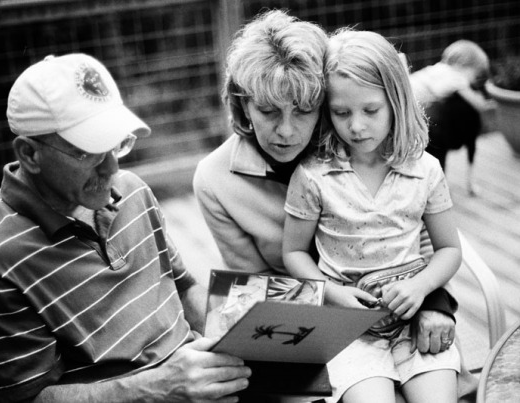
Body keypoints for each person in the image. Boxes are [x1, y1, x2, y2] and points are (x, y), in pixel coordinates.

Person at [0, 53, 251, 402]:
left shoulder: (133, 191)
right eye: (87, 153)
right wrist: (162, 387)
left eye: (117, 144)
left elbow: (183, 289)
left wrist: (241, 336)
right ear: (29, 154)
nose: (111, 170)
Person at [193, 9, 457, 357]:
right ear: (243, 107)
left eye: (304, 110)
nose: (286, 131)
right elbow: (258, 286)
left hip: (402, 309)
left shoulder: (358, 138)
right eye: (268, 110)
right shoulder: (214, 181)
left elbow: (415, 229)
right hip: (308, 328)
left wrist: (435, 302)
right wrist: (331, 302)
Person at [282, 28, 462, 403]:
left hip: (416, 322)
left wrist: (421, 288)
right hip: (351, 333)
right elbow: (293, 252)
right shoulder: (313, 176)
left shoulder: (425, 170)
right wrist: (332, 293)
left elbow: (448, 249)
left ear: (395, 100)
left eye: (371, 110)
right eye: (341, 112)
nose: (357, 126)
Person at [410, 40, 494, 195]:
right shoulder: (457, 78)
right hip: (409, 104)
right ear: (464, 65)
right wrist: (489, 103)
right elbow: (477, 104)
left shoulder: (438, 69)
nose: (474, 80)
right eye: (476, 75)